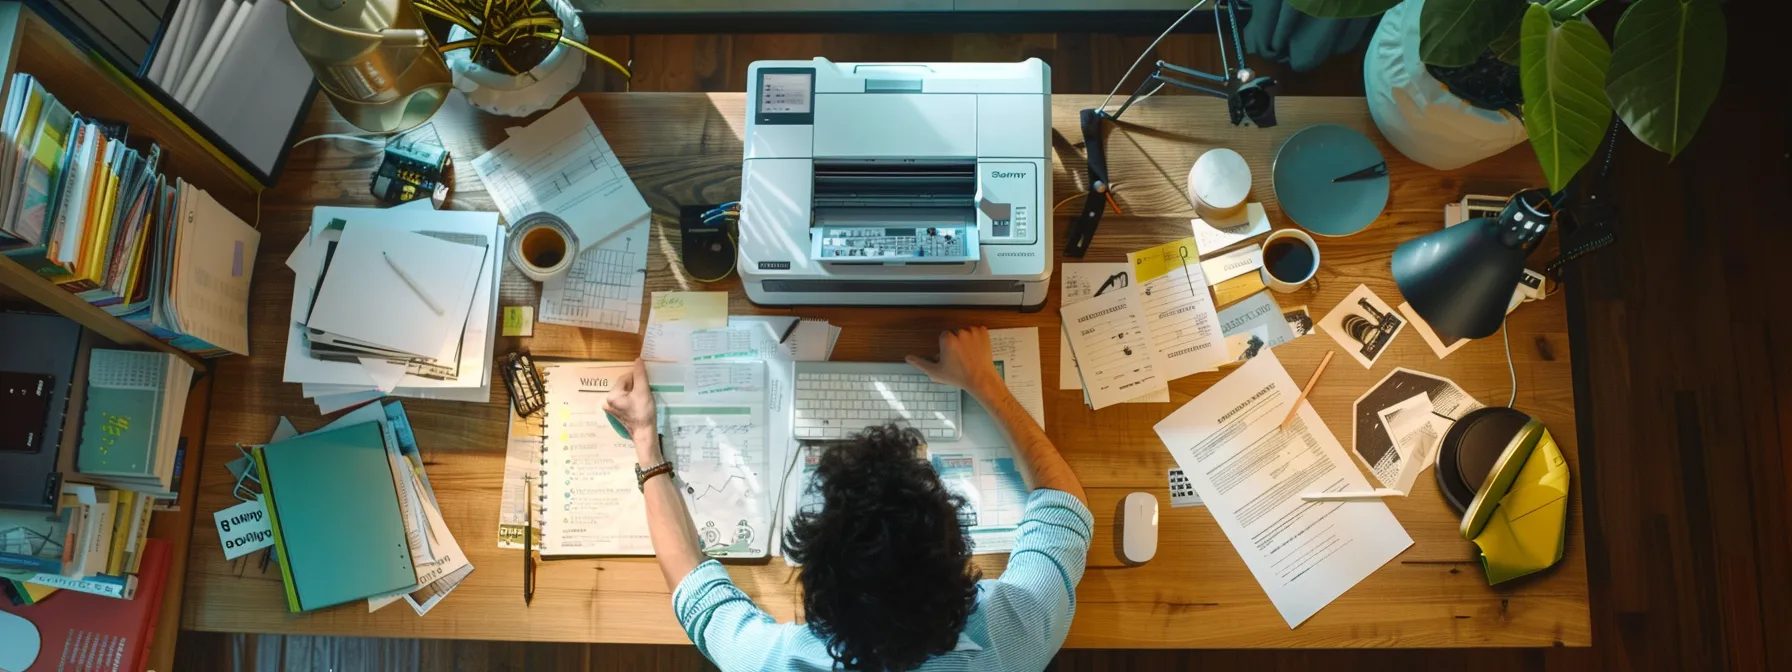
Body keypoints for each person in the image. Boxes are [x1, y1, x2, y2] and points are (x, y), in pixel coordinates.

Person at [604, 327, 1092, 672]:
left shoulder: (771, 662)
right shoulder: (1018, 636)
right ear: (958, 564)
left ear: (815, 596)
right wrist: (983, 380)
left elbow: (696, 592)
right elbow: (1063, 501)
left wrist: (645, 436)